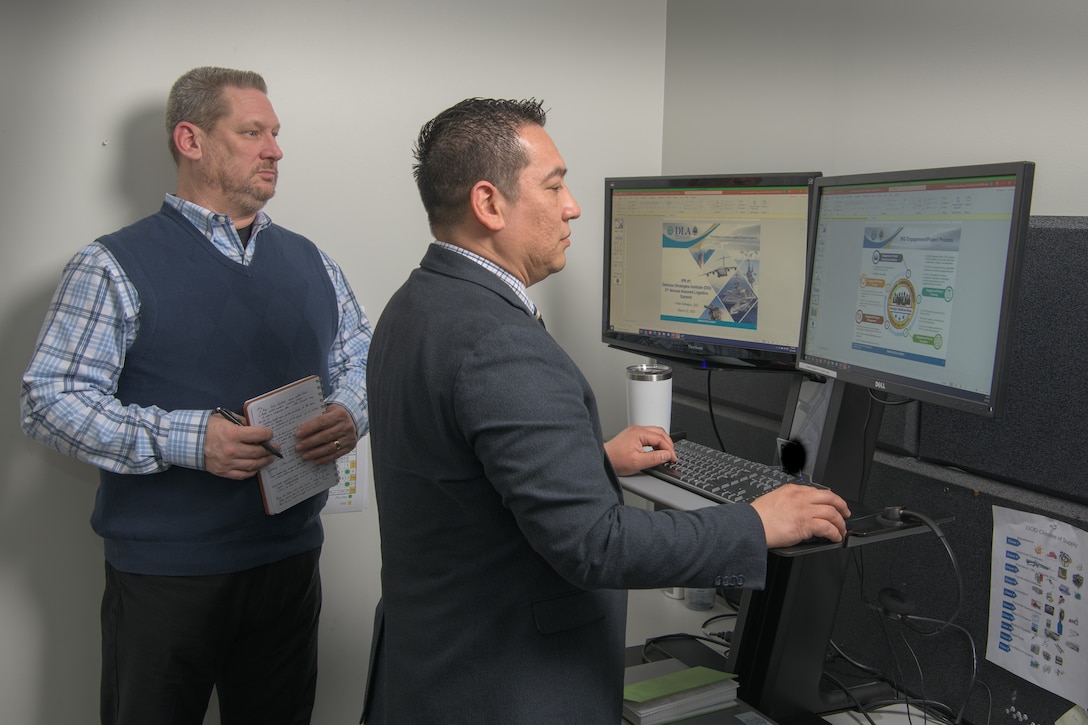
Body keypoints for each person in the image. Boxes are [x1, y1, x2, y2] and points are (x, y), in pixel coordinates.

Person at [361, 97, 851, 723]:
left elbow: (455, 473)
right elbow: (596, 545)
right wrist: (756, 524)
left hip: (429, 672)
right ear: (489, 204)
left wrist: (587, 461)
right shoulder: (499, 344)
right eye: (555, 184)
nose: (573, 206)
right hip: (502, 686)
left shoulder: (416, 305)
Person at [19, 66, 371, 725]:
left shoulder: (311, 260)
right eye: (252, 132)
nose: (275, 149)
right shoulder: (111, 265)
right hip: (166, 579)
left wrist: (350, 410)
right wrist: (189, 439)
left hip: (290, 563)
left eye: (275, 133)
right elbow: (49, 398)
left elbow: (362, 353)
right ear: (191, 139)